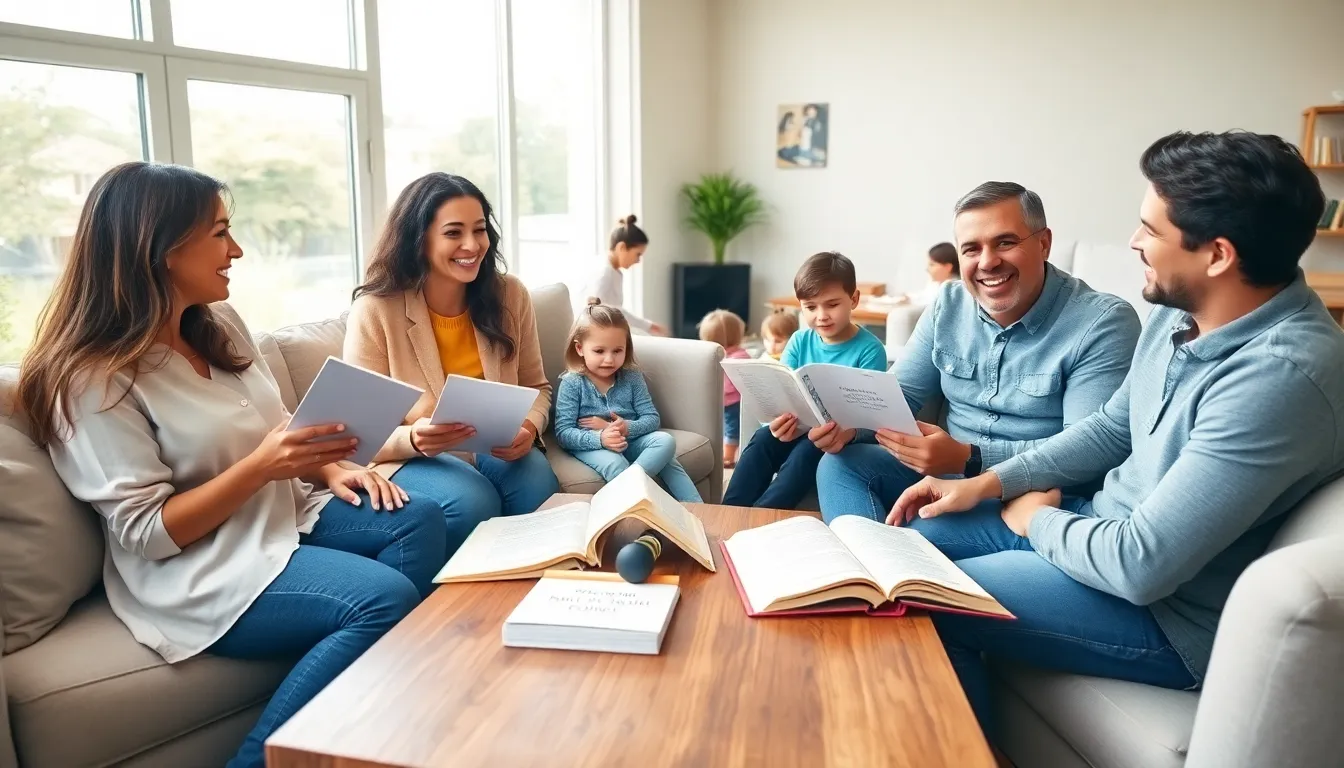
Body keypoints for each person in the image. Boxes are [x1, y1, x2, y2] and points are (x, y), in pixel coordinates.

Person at [886, 131, 1344, 743]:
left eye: (1150, 230)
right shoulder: (1180, 311)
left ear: (1217, 255)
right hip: (1096, 527)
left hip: (1166, 615)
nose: (1133, 241)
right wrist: (988, 483)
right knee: (910, 546)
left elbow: (1142, 565)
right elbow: (1111, 426)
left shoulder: (1279, 378)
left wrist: (1034, 520)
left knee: (927, 597)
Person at [17, 162, 451, 768]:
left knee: (418, 518)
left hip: (281, 516)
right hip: (200, 569)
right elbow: (148, 534)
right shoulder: (94, 380)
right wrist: (261, 468)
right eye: (220, 234)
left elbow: (278, 428)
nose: (237, 250)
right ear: (161, 248)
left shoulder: (218, 323)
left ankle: (375, 718)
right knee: (380, 599)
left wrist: (330, 469)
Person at [814, 182, 1140, 524]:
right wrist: (850, 427)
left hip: (1037, 494)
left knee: (931, 526)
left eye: (1005, 242)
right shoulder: (948, 304)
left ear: (1044, 243)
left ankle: (892, 553)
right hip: (946, 477)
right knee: (839, 465)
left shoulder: (1103, 322)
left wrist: (969, 458)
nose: (987, 262)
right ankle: (874, 557)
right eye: (971, 249)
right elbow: (899, 397)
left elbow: (1087, 451)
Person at [344, 172, 561, 519]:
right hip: (415, 455)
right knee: (471, 501)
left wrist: (529, 427)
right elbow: (359, 432)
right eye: (453, 233)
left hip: (493, 446)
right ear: (419, 240)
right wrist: (413, 438)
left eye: (480, 229)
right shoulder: (375, 310)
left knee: (536, 483)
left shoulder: (510, 295)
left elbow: (536, 387)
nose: (472, 245)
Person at [724, 252, 887, 508]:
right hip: (798, 426)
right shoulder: (800, 340)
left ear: (854, 299)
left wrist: (847, 433)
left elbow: (871, 419)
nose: (821, 315)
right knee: (762, 440)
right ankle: (730, 511)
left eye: (832, 304)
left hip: (838, 439)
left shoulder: (870, 350)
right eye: (811, 307)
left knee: (806, 452)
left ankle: (762, 515)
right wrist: (775, 422)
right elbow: (781, 388)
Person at [553, 299, 702, 502]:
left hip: (631, 440)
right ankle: (650, 513)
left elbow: (651, 418)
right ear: (579, 348)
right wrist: (600, 437)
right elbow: (564, 433)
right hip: (594, 445)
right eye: (599, 351)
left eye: (617, 351)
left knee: (665, 442)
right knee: (616, 464)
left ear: (626, 348)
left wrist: (625, 428)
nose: (609, 359)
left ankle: (698, 511)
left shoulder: (632, 377)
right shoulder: (572, 383)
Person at [574, 215, 667, 336]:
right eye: (638, 254)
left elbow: (615, 311)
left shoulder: (614, 272)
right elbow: (596, 313)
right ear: (621, 247)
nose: (638, 260)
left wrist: (648, 326)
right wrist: (647, 326)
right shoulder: (604, 273)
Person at [699, 308, 751, 467]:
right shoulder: (719, 356)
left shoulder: (739, 357)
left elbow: (730, 385)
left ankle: (728, 456)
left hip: (733, 402)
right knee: (725, 428)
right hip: (724, 402)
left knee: (732, 429)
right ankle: (725, 451)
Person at [893, 241, 959, 307]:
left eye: (932, 265)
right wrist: (909, 298)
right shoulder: (934, 283)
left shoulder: (953, 290)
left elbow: (930, 305)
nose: (927, 269)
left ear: (948, 267)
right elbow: (925, 296)